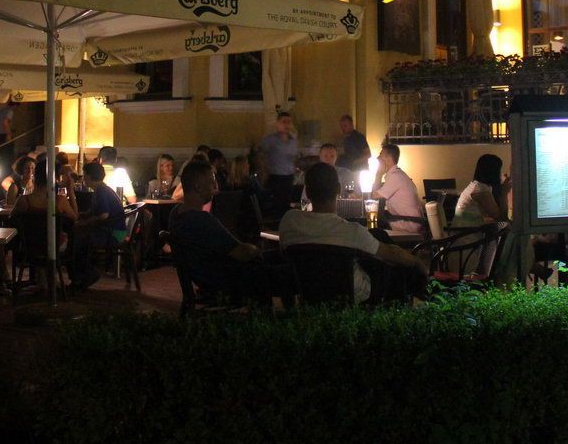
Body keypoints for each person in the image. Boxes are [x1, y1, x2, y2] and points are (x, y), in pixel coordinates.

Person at [280, 162, 426, 304]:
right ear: (338, 189)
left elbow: (283, 254)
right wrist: (418, 263)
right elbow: (391, 254)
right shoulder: (350, 231)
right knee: (399, 271)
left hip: (309, 291)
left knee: (377, 235)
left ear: (307, 191)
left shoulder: (289, 221)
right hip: (353, 294)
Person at [168, 160, 279, 301]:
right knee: (282, 269)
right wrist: (256, 249)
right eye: (211, 182)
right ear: (198, 187)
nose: (215, 187)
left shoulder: (175, 214)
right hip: (224, 282)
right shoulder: (202, 220)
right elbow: (242, 253)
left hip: (203, 278)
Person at [67, 162, 127, 290]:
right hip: (114, 231)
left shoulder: (101, 191)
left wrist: (85, 222)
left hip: (114, 234)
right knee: (78, 236)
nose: (84, 178)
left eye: (85, 175)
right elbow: (95, 211)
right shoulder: (101, 189)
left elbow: (104, 215)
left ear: (89, 176)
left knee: (79, 240)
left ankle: (85, 275)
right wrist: (82, 215)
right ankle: (81, 276)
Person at [374, 143, 424, 235]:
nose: (378, 158)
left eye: (380, 155)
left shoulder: (395, 177)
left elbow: (373, 196)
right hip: (409, 221)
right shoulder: (397, 174)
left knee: (373, 226)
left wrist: (378, 174)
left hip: (407, 224)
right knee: (376, 221)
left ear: (388, 159)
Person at [257, 112, 299, 217]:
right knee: (276, 206)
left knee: (287, 204)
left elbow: (294, 157)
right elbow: (260, 154)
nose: (286, 125)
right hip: (275, 177)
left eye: (289, 122)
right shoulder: (270, 140)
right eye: (284, 122)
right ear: (277, 123)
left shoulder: (293, 140)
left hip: (289, 177)